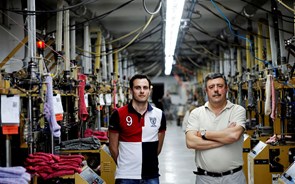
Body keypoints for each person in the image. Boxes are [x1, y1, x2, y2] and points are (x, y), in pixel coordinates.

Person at [185, 72, 246, 184]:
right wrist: (224, 140)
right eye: (211, 87)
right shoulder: (196, 113)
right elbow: (190, 142)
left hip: (233, 178)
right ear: (206, 91)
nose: (216, 90)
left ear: (226, 89)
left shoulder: (237, 110)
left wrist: (203, 133)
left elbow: (233, 135)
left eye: (220, 86)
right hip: (205, 179)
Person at [108, 74, 167, 184]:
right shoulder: (118, 114)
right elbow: (113, 148)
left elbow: (157, 149)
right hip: (126, 175)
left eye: (145, 88)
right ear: (131, 90)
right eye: (137, 87)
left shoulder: (159, 115)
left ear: (149, 90)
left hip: (151, 174)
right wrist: (124, 164)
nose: (142, 91)